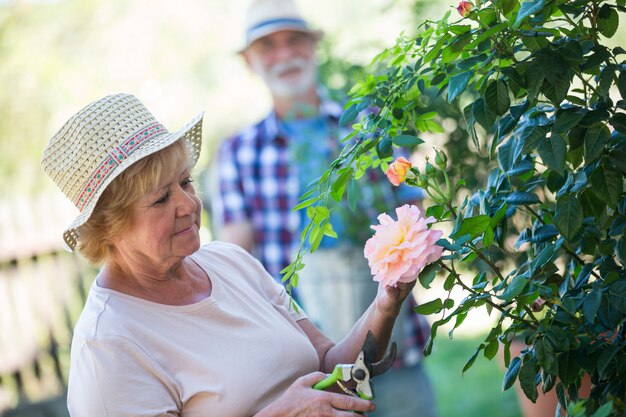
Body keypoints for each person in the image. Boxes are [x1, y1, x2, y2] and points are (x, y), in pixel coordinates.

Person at [41, 93, 417, 417]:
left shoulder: (230, 263)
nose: (188, 204)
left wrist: (386, 301)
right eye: (160, 199)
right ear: (109, 227)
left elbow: (328, 364)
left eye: (186, 181)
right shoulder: (108, 345)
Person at [208, 1, 438, 416]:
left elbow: (414, 209)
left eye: (294, 41)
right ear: (249, 61)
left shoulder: (369, 128)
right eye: (268, 46)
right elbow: (239, 264)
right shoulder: (238, 154)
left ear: (313, 48)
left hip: (393, 352)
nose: (284, 54)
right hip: (311, 374)